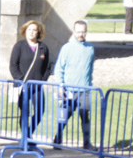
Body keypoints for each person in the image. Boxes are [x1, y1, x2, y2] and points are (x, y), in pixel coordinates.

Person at [51, 20, 95, 149]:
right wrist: (60, 85)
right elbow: (59, 68)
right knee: (64, 116)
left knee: (85, 115)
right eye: (78, 31)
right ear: (74, 31)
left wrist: (89, 83)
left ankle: (86, 143)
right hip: (69, 89)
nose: (81, 34)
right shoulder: (67, 48)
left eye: (83, 31)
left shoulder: (90, 48)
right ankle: (57, 140)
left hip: (85, 89)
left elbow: (90, 68)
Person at [9, 20, 52, 145]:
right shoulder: (19, 46)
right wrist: (21, 81)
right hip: (23, 85)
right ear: (25, 31)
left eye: (34, 30)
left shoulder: (43, 47)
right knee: (25, 112)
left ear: (38, 32)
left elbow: (47, 67)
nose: (32, 32)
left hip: (37, 86)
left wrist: (42, 80)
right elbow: (13, 66)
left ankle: (28, 134)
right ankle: (25, 138)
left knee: (39, 111)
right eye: (29, 29)